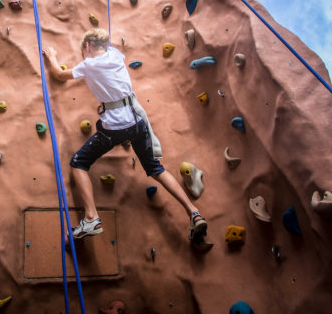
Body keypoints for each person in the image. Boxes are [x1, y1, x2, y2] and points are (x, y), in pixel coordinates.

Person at [43, 28, 208, 245]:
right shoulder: (116, 55)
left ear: (88, 47)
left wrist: (52, 57)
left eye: (83, 50)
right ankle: (194, 212)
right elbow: (105, 45)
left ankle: (91, 218)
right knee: (156, 169)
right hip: (137, 121)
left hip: (115, 127)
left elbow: (60, 74)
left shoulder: (89, 64)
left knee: (78, 163)